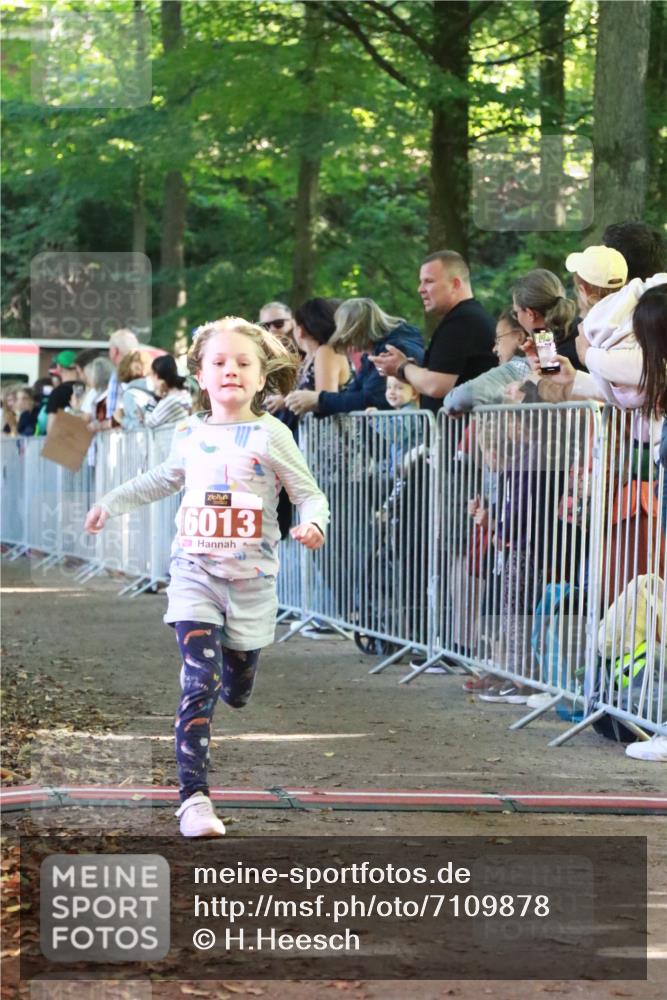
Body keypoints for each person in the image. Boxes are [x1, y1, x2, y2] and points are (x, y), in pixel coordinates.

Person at [84, 317, 329, 837]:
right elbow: (162, 478)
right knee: (201, 681)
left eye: (243, 363)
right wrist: (111, 501)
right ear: (200, 375)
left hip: (251, 583)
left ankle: (218, 672)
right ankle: (193, 799)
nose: (231, 370)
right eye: (219, 362)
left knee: (235, 690)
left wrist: (313, 523)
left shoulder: (273, 434)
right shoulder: (189, 432)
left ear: (261, 377)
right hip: (195, 574)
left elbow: (308, 493)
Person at [371, 251, 496, 412]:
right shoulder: (465, 317)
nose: (420, 289)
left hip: (465, 425)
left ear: (455, 284)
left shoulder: (462, 321)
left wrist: (402, 367)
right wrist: (408, 369)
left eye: (429, 281)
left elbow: (436, 385)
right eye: (421, 282)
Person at [285, 298, 424, 416]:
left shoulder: (391, 351)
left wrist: (319, 399)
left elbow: (371, 398)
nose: (347, 344)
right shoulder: (373, 352)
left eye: (347, 336)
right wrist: (320, 400)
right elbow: (355, 391)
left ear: (358, 331)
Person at [265, 298, 349, 421]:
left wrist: (286, 400)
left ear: (301, 330)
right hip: (314, 430)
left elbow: (325, 400)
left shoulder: (326, 352)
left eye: (294, 326)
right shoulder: (311, 356)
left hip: (333, 431)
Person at [443, 309, 530, 414]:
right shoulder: (545, 367)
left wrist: (450, 403)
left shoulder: (517, 367)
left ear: (519, 337)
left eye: (498, 339)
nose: (494, 349)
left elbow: (460, 397)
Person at [103, 328, 141, 431]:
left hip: (123, 433)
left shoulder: (118, 374)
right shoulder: (144, 370)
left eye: (110, 349)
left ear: (115, 351)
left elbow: (112, 415)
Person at [143, 355, 192, 429]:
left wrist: (156, 398)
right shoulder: (182, 392)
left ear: (156, 375)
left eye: (151, 374)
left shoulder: (171, 400)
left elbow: (148, 423)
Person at [44, 350, 82, 431]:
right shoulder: (87, 389)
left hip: (64, 437)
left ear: (59, 367)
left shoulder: (57, 393)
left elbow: (51, 426)